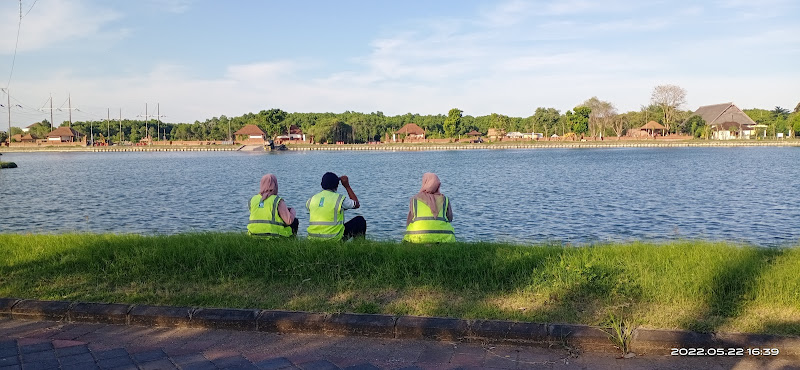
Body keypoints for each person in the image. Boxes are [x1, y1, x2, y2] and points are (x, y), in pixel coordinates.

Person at [306, 172, 366, 241]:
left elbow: (325, 209)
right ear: (337, 186)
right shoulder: (339, 199)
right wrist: (347, 186)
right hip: (334, 238)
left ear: (321, 185)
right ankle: (359, 246)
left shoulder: (311, 200)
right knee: (360, 221)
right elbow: (356, 204)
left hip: (313, 239)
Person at [403, 172, 455, 243]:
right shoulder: (445, 199)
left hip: (417, 237)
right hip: (445, 237)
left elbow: (409, 220)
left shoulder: (414, 199)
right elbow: (450, 218)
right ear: (438, 185)